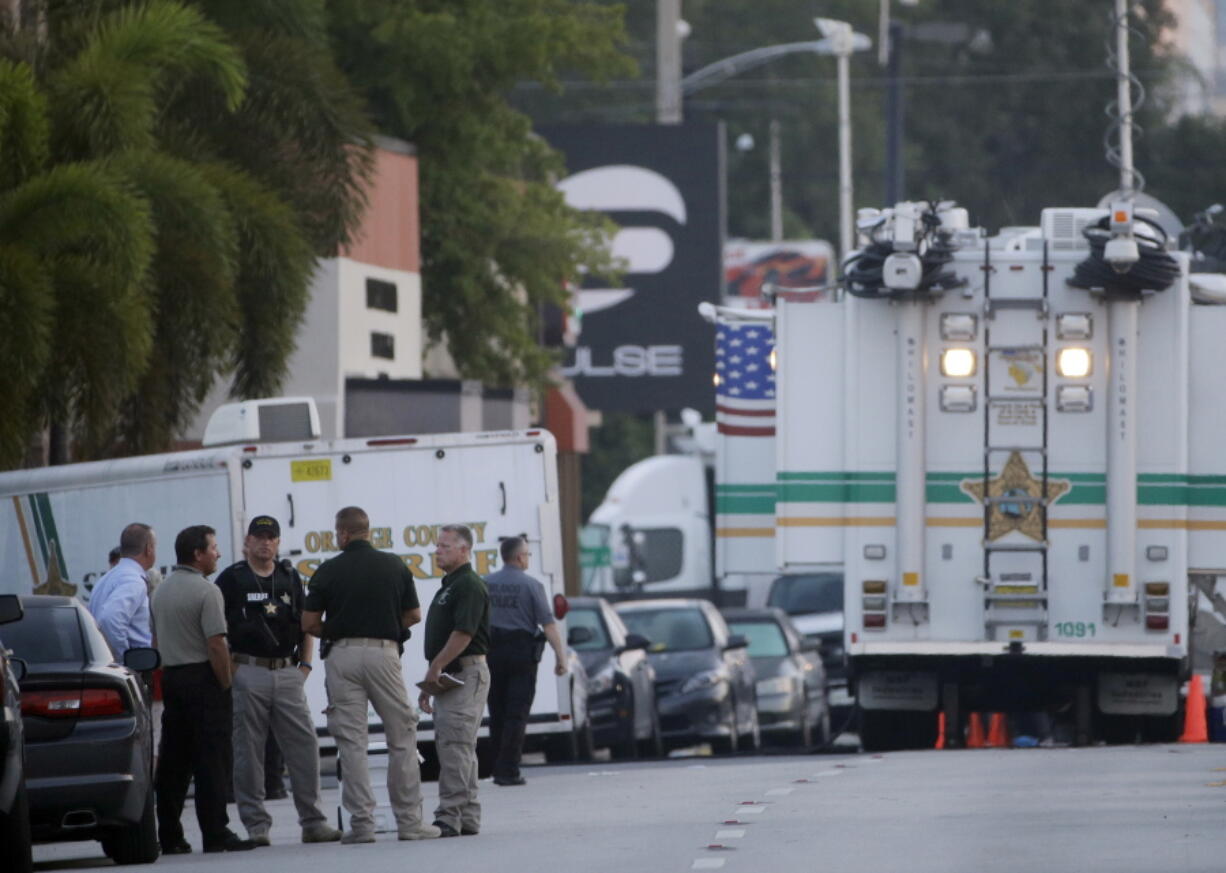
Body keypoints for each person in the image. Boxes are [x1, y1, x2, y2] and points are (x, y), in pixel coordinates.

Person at [301, 506, 439, 844]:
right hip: (383, 653)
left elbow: (308, 624)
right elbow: (414, 614)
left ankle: (361, 825)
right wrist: (388, 626)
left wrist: (336, 631)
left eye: (337, 533)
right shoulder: (394, 565)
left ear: (344, 534)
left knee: (352, 742)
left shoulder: (328, 570)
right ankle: (409, 822)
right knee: (401, 736)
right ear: (368, 531)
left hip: (341, 656)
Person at [215, 515, 340, 846]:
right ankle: (257, 826)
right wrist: (233, 672)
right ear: (248, 542)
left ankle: (313, 822)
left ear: (278, 542)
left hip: (287, 670)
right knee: (248, 752)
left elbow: (307, 623)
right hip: (248, 670)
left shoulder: (289, 576)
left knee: (304, 746)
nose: (265, 543)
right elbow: (216, 631)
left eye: (271, 537)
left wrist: (305, 666)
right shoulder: (231, 579)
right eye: (259, 537)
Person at [150, 525, 256, 854]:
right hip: (203, 678)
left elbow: (155, 642)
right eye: (213, 547)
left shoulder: (161, 591)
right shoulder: (207, 591)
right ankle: (215, 831)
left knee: (174, 761)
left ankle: (169, 833)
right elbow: (216, 644)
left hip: (172, 678)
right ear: (197, 554)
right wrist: (225, 683)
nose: (218, 553)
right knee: (212, 759)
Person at [418, 524, 490, 837]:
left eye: (445, 546)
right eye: (437, 546)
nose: (437, 551)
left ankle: (449, 815)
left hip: (464, 671)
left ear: (464, 550)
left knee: (455, 745)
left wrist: (437, 665)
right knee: (460, 746)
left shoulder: (468, 585)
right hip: (453, 673)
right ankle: (468, 815)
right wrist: (435, 674)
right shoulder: (452, 584)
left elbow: (464, 633)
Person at [484, 536, 566, 786]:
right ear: (519, 557)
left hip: (492, 653)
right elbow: (548, 625)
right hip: (521, 653)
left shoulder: (484, 583)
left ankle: (497, 766)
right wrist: (561, 658)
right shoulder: (532, 586)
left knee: (496, 712)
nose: (528, 558)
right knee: (516, 713)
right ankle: (508, 770)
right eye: (528, 554)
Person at [89, 523, 156, 659]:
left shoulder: (106, 579)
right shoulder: (133, 581)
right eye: (155, 546)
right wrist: (123, 659)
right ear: (149, 549)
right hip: (135, 667)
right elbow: (109, 619)